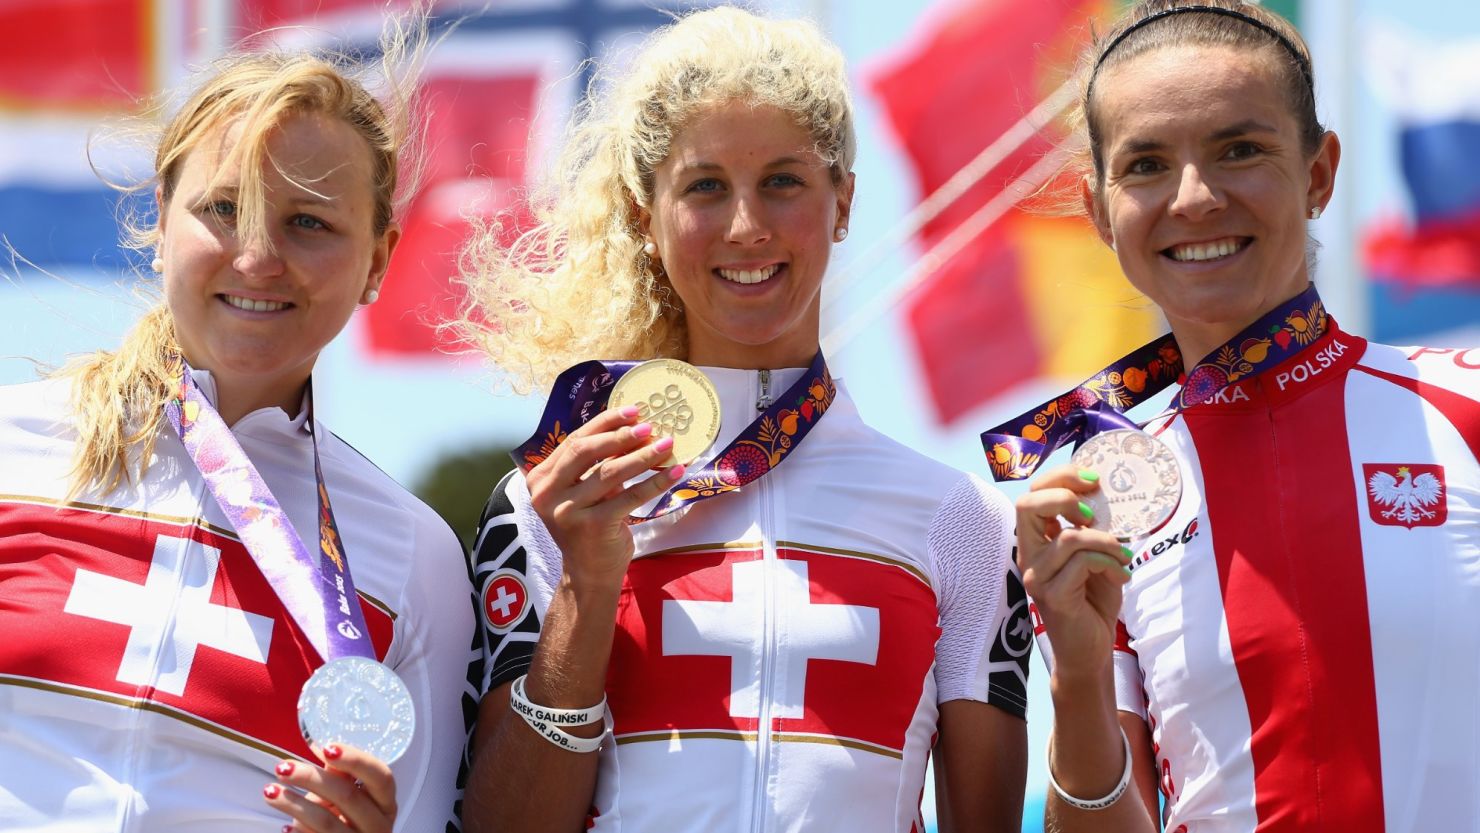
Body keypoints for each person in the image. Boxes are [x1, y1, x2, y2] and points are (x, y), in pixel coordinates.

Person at [454, 7, 1030, 832]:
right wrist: (586, 587)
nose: (747, 226)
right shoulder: (550, 501)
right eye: (705, 186)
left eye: (784, 181)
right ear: (646, 215)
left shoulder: (966, 520)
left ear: (844, 202)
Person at [1007, 2, 1480, 831]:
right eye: (1146, 165)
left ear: (1319, 174)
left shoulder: (1466, 407)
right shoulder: (1092, 503)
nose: (1194, 198)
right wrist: (1078, 674)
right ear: (1098, 214)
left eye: (1240, 150)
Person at [0, 16, 473, 833]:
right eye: (223, 208)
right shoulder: (12, 451)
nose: (257, 257)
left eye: (310, 222)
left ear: (378, 261)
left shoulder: (417, 557)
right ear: (160, 219)